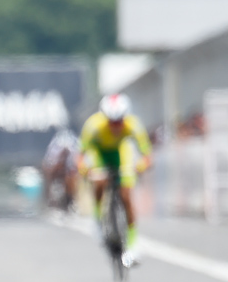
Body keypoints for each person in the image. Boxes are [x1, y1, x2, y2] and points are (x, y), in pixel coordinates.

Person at [78, 94, 153, 266]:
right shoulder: (93, 126)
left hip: (122, 153)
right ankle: (98, 221)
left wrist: (140, 166)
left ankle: (133, 245)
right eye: (111, 121)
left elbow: (147, 155)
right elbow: (80, 156)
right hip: (100, 154)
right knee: (99, 183)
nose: (115, 125)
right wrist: (85, 170)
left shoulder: (133, 126)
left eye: (119, 121)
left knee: (126, 197)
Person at [41, 127, 80, 212]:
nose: (64, 153)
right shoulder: (54, 149)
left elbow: (75, 167)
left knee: (73, 179)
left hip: (69, 167)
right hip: (54, 165)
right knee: (48, 175)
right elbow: (48, 164)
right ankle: (48, 197)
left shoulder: (73, 150)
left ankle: (72, 199)